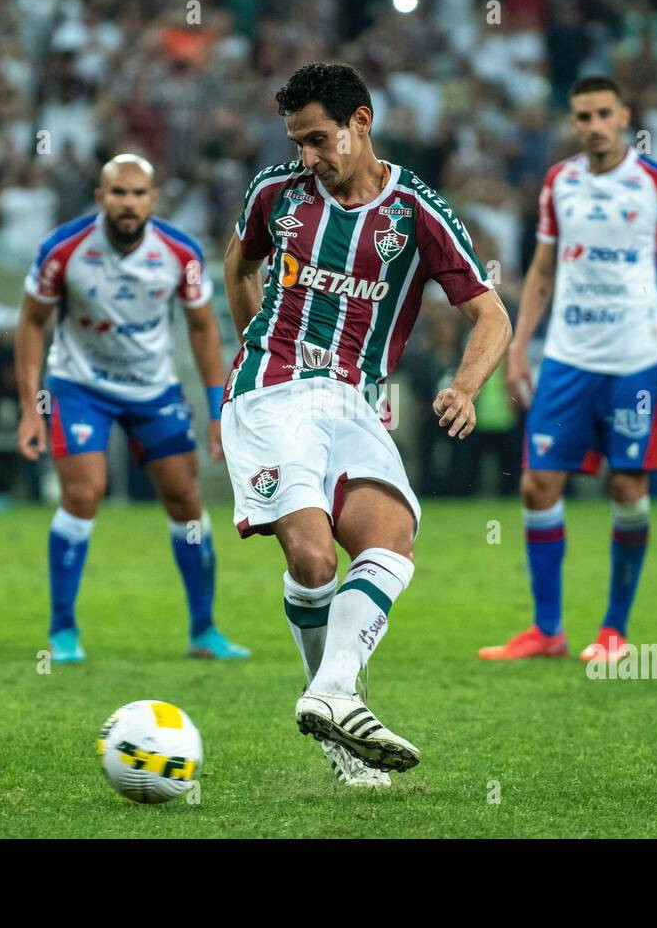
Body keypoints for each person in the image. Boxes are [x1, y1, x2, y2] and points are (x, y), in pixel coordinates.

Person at [222, 63, 511, 785]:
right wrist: (254, 350)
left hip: (355, 400)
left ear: (362, 121)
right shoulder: (275, 193)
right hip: (273, 391)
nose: (307, 157)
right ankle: (338, 730)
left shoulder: (416, 210)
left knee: (393, 543)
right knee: (315, 562)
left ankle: (332, 693)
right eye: (297, 142)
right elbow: (238, 268)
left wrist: (467, 386)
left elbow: (490, 314)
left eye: (319, 140)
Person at [482, 76, 657, 662]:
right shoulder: (559, 182)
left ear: (624, 116)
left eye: (603, 114)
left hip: (634, 360)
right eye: (582, 115)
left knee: (627, 487)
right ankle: (548, 630)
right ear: (573, 119)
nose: (592, 125)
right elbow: (541, 271)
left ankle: (614, 629)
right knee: (538, 484)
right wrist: (518, 347)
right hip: (567, 357)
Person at [15, 153, 248, 663]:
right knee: (83, 493)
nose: (128, 202)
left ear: (153, 200)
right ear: (101, 197)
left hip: (152, 389)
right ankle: (63, 631)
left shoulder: (179, 253)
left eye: (138, 193)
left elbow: (204, 327)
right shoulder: (63, 249)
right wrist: (32, 408)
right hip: (79, 385)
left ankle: (204, 630)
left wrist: (216, 410)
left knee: (185, 501)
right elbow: (32, 324)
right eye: (118, 192)